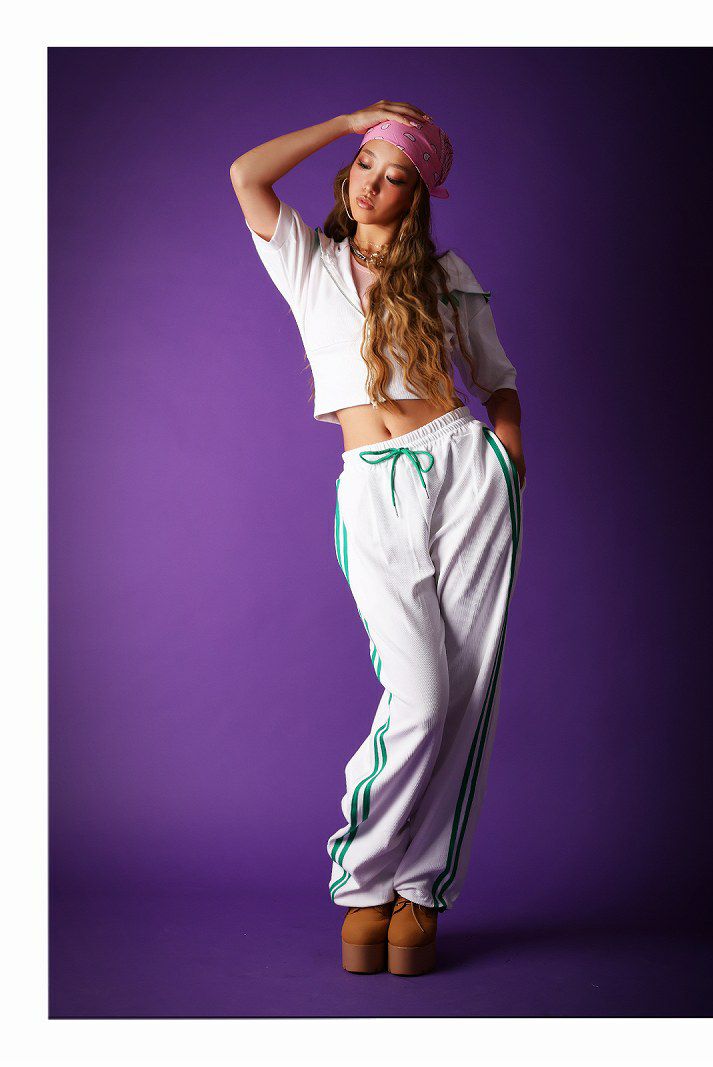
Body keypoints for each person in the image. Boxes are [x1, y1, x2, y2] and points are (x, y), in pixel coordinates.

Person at [230, 101, 526, 977]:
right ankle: (365, 878)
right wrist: (344, 121)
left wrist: (508, 453)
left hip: (467, 470)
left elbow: (497, 381)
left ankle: (420, 890)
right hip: (374, 484)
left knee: (466, 697)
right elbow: (246, 175)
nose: (372, 186)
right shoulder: (308, 260)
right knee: (421, 694)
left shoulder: (445, 274)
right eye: (365, 165)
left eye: (395, 176)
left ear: (416, 196)